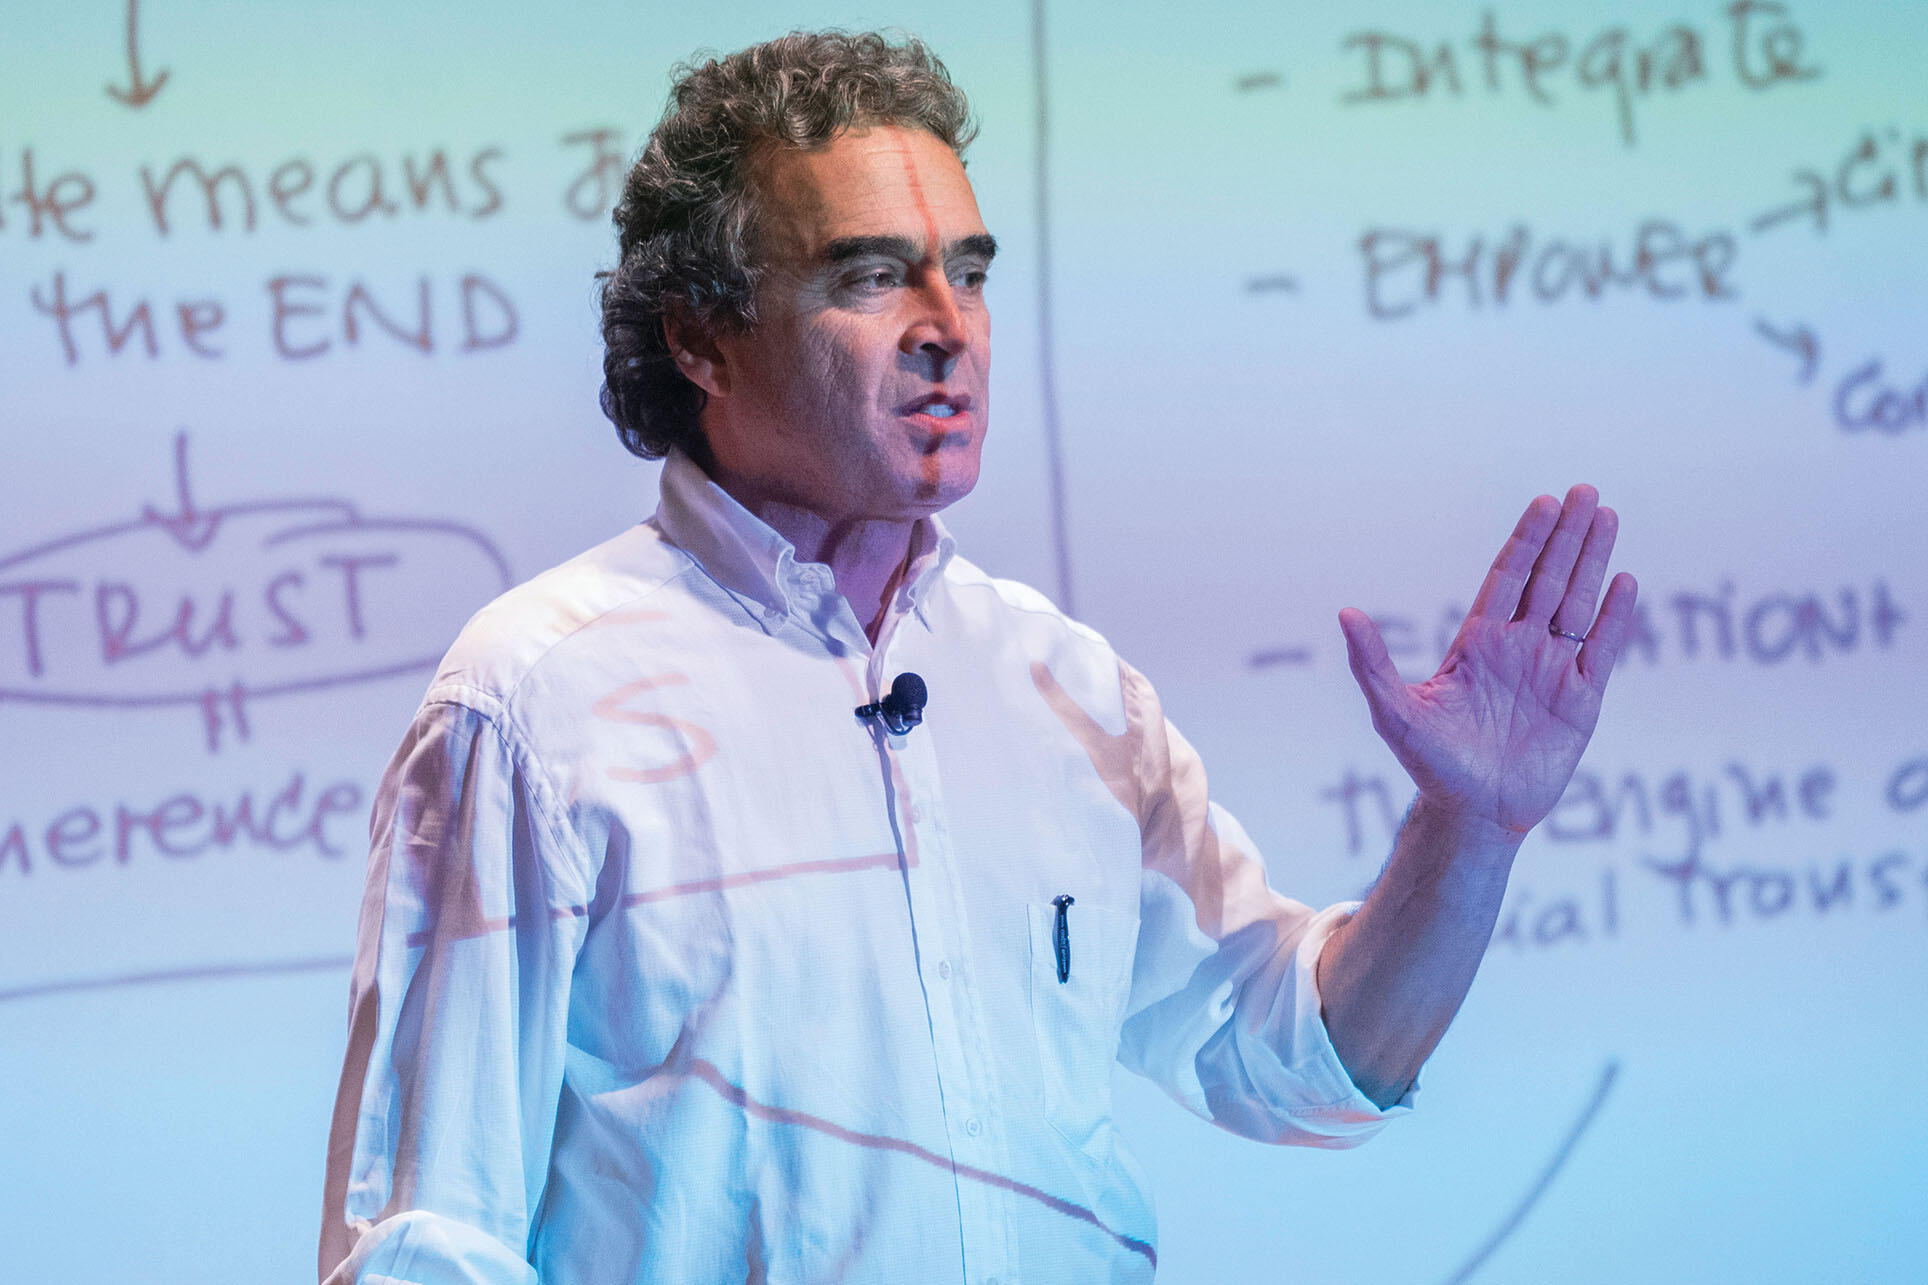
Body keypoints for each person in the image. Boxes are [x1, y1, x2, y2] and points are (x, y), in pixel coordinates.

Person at [318, 29, 1637, 1285]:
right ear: (700, 337)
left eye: (974, 271)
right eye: (873, 274)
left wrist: (1468, 830)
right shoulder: (539, 701)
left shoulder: (1062, 687)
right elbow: (431, 1236)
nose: (949, 322)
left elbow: (1298, 1055)